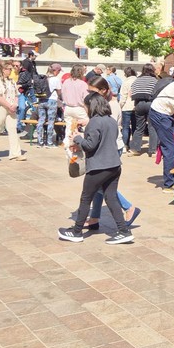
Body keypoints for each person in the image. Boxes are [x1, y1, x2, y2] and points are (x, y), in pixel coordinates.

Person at [58, 92, 134, 244]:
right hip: (114, 165)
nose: (85, 109)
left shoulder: (94, 122)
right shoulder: (111, 121)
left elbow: (90, 146)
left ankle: (77, 231)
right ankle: (124, 231)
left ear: (91, 106)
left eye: (86, 106)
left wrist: (78, 138)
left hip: (99, 167)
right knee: (111, 197)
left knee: (86, 198)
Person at [82, 77, 140, 232]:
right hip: (106, 146)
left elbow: (105, 128)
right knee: (99, 185)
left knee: (101, 185)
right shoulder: (102, 105)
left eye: (92, 92)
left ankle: (128, 207)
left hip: (111, 147)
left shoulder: (110, 106)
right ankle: (94, 218)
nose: (89, 95)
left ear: (103, 91)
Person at [129, 63, 158, 156]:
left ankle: (135, 149)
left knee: (139, 127)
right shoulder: (155, 80)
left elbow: (131, 93)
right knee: (152, 127)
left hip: (138, 104)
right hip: (151, 103)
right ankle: (153, 150)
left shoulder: (137, 80)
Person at [60, 65, 89, 150]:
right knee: (83, 127)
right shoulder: (83, 84)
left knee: (69, 127)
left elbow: (62, 95)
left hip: (68, 107)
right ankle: (81, 144)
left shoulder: (66, 82)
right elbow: (86, 99)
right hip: (79, 108)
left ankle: (68, 144)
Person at [36, 63, 63, 148]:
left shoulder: (43, 78)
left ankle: (39, 142)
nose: (59, 73)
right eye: (59, 71)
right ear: (56, 70)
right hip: (51, 101)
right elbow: (59, 91)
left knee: (41, 121)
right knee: (51, 122)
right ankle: (49, 142)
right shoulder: (56, 79)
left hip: (41, 100)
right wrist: (60, 97)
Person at [119, 67, 138, 151]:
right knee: (135, 126)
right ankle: (134, 145)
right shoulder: (138, 81)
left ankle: (125, 145)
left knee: (125, 127)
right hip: (136, 106)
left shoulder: (125, 82)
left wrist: (120, 106)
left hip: (126, 106)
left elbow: (123, 96)